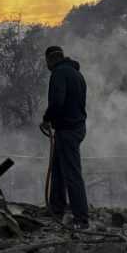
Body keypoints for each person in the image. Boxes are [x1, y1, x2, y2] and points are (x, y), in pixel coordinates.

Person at [40, 45, 89, 228]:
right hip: (76, 127)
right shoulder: (77, 74)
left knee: (71, 174)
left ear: (51, 59)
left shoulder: (59, 73)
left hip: (67, 130)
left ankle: (81, 218)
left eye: (46, 62)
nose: (47, 66)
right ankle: (56, 208)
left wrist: (47, 119)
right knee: (58, 170)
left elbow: (57, 102)